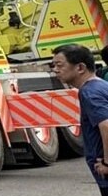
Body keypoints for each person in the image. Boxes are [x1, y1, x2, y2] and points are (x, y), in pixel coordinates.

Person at [52, 44, 108, 195]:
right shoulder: (101, 85)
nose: (55, 70)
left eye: (59, 65)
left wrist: (106, 163)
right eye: (54, 65)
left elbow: (106, 125)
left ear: (80, 67)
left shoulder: (90, 92)